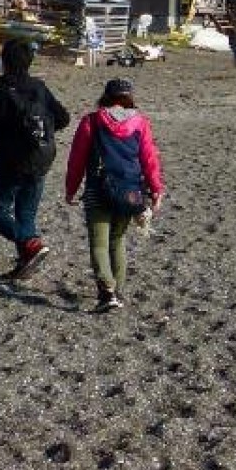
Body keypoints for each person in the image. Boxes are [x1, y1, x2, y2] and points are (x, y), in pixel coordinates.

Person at [64, 78, 166, 312]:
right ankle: (117, 291)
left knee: (99, 244)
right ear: (129, 98)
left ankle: (107, 292)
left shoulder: (91, 121)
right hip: (130, 191)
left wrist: (71, 189)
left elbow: (77, 159)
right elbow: (149, 159)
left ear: (106, 97)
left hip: (98, 189)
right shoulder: (140, 123)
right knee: (117, 241)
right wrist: (156, 190)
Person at [0, 40, 69, 280]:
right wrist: (41, 133)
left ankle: (30, 245)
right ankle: (26, 261)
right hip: (42, 157)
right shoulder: (39, 87)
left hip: (13, 159)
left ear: (4, 61)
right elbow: (63, 117)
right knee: (26, 214)